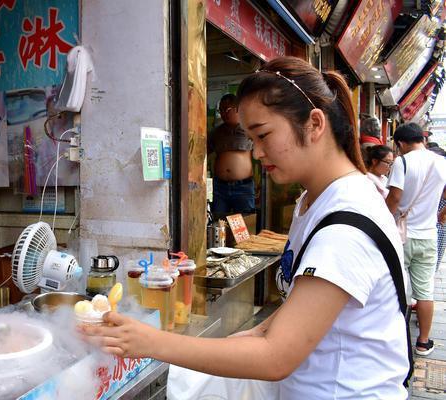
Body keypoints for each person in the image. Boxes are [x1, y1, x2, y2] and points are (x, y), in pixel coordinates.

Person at [83, 57, 410, 399]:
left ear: (314, 124)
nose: (256, 152)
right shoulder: (312, 203)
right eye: (251, 138)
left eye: (263, 135)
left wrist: (150, 342)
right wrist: (254, 335)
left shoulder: (344, 230)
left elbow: (275, 358)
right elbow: (301, 309)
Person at [386, 122, 446, 356]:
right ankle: (422, 342)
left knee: (395, 287)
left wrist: (381, 219)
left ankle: (393, 338)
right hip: (428, 237)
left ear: (400, 144)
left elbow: (395, 198)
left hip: (400, 236)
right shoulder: (441, 162)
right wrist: (441, 215)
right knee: (424, 291)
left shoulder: (402, 162)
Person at [208, 94, 255, 215]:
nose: (224, 113)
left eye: (228, 110)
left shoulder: (250, 130)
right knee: (219, 222)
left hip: (243, 187)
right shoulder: (216, 133)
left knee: (245, 225)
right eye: (221, 110)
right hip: (220, 187)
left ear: (238, 109)